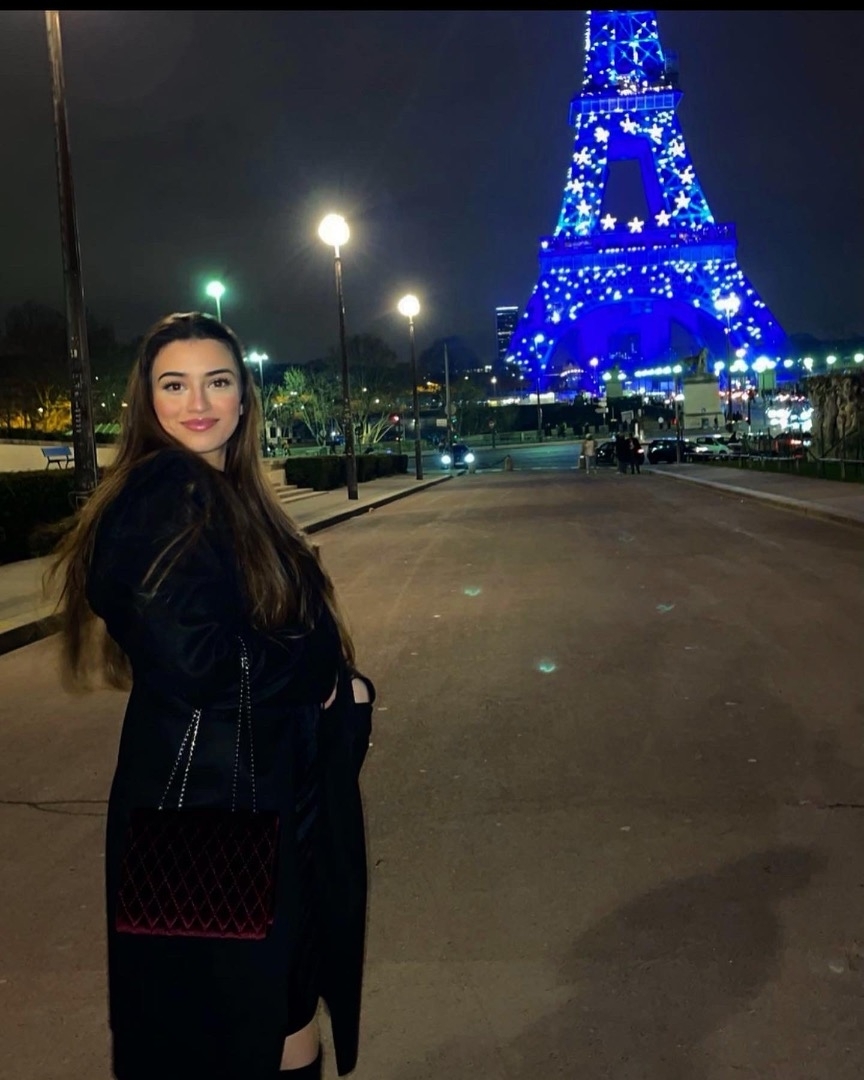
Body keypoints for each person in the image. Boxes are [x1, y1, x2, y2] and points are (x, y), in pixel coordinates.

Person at [47, 312, 373, 1080]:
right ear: (146, 399)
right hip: (211, 811)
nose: (197, 403)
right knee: (228, 1024)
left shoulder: (226, 493)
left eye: (216, 381)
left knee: (274, 1013)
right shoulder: (166, 491)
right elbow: (198, 660)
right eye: (174, 384)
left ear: (243, 395)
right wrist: (322, 675)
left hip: (242, 802)